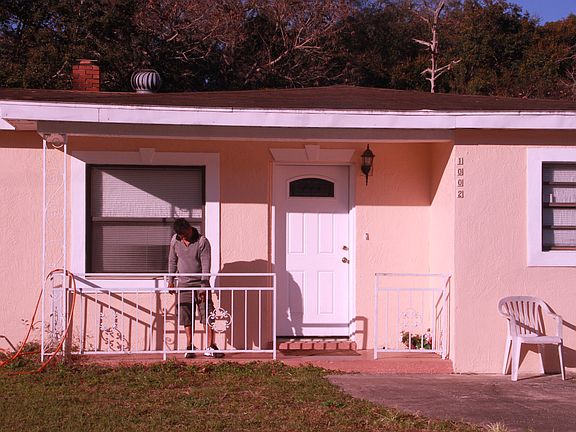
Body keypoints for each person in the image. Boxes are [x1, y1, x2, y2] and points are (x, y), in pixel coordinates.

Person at [168, 218, 223, 358]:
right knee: (186, 315)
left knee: (207, 314)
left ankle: (211, 345)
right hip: (183, 284)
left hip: (200, 283)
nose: (184, 238)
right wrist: (171, 281)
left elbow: (206, 265)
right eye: (181, 236)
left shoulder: (202, 242)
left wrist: (203, 287)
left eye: (185, 235)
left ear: (189, 228)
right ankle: (190, 345)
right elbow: (172, 261)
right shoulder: (175, 240)